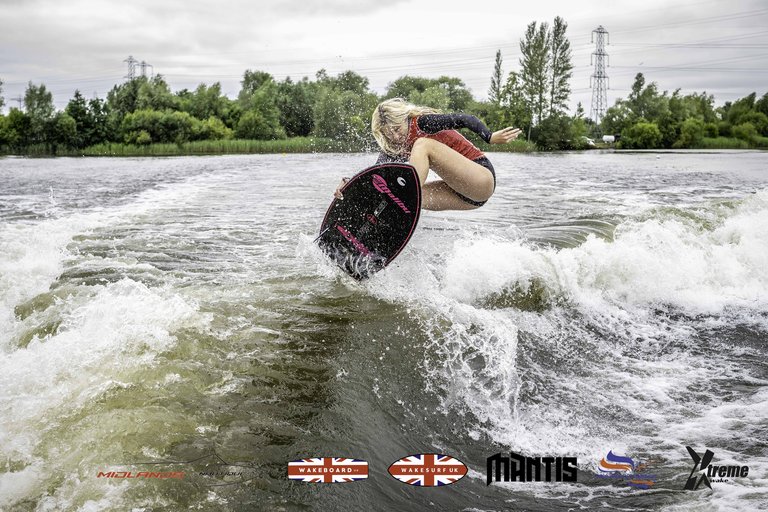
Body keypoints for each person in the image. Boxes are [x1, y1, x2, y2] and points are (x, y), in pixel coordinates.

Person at [334, 98, 522, 211]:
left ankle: (409, 188)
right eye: (388, 134)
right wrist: (350, 186)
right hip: (464, 198)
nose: (395, 137)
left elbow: (465, 119)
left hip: (481, 178)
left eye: (397, 129)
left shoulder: (422, 123)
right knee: (398, 197)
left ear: (405, 119)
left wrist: (489, 136)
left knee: (422, 144)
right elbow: (376, 174)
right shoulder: (393, 146)